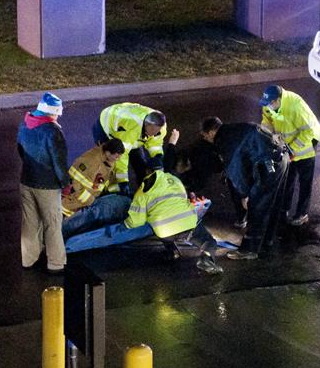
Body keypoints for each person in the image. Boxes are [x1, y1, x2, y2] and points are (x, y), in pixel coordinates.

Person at [64, 169, 223, 274]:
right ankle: (206, 259)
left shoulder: (143, 191)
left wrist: (124, 227)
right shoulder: (174, 181)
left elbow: (134, 221)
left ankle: (171, 250)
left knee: (160, 226)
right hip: (188, 225)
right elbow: (185, 202)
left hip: (164, 231)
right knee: (208, 241)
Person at [200, 116, 289, 260]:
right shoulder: (236, 128)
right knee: (273, 203)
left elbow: (236, 171)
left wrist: (245, 195)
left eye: (205, 136)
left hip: (267, 167)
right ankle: (267, 241)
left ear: (210, 132)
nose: (205, 139)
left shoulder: (226, 141)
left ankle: (250, 249)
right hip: (280, 158)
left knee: (257, 206)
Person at [259, 85, 320, 226]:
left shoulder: (295, 106)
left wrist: (292, 150)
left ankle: (302, 213)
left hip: (306, 146)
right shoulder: (268, 104)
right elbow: (266, 120)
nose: (267, 107)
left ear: (277, 101)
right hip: (287, 145)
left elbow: (309, 132)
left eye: (269, 104)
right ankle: (284, 209)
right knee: (287, 179)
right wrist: (271, 134)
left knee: (304, 183)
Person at [17, 92, 70, 274]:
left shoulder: (25, 124)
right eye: (57, 113)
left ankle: (28, 259)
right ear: (53, 112)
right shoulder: (53, 131)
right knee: (52, 223)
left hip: (27, 180)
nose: (58, 117)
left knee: (30, 222)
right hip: (47, 185)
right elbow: (59, 162)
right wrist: (65, 184)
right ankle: (55, 263)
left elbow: (21, 151)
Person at [93, 103, 175, 194]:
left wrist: (158, 156)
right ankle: (106, 191)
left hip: (132, 131)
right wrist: (123, 181)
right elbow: (121, 155)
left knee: (139, 164)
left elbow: (155, 143)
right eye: (152, 131)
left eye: (156, 131)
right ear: (146, 125)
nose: (154, 134)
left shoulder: (161, 127)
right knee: (109, 162)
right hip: (106, 124)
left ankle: (143, 189)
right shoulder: (131, 127)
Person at [61, 138, 132, 239]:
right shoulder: (91, 161)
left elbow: (102, 182)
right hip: (72, 204)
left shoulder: (107, 160)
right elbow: (73, 183)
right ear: (107, 153)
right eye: (116, 156)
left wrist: (117, 188)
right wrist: (90, 201)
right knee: (64, 228)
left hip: (84, 202)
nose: (118, 159)